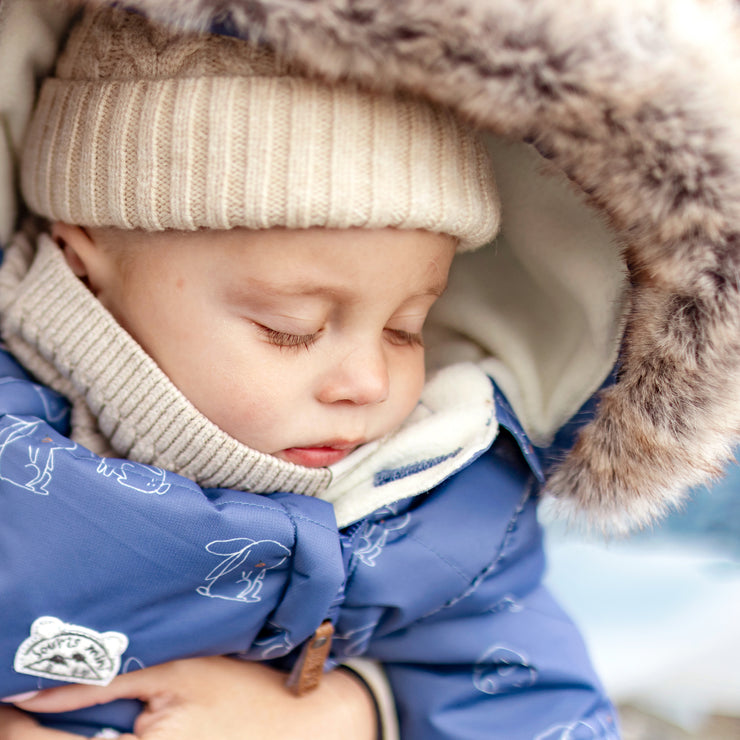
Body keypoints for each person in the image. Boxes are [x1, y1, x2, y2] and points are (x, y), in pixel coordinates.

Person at [3, 0, 740, 738]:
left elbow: (533, 698)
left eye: (406, 328)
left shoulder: (439, 498)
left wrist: (356, 713)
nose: (370, 384)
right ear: (83, 267)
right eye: (291, 329)